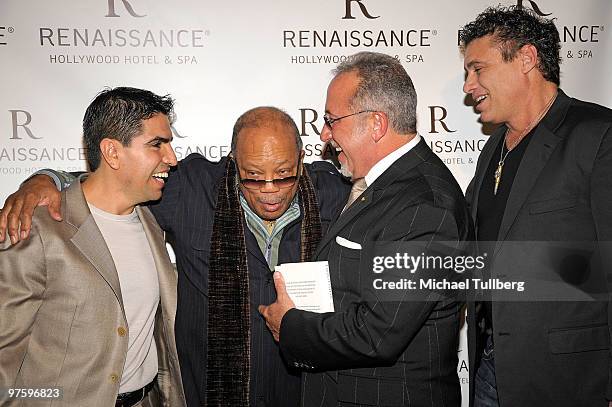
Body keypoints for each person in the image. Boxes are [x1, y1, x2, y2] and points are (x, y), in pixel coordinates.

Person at [0, 106, 350, 406]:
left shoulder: (335, 195)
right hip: (206, 394)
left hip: (302, 393)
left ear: (304, 160)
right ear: (232, 163)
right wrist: (46, 179)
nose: (270, 190)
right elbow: (111, 184)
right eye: (253, 177)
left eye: (284, 175)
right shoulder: (192, 190)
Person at [259, 52, 473, 407]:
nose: (324, 133)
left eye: (332, 120)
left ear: (375, 123)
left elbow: (380, 332)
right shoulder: (383, 186)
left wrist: (291, 325)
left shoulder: (423, 206)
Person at [460, 6, 612, 407]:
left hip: (571, 379)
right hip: (490, 367)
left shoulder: (597, 136)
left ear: (526, 59)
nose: (468, 86)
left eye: (478, 69)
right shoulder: (492, 149)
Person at [0, 87, 186, 406]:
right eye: (157, 144)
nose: (171, 158)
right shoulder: (36, 227)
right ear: (112, 152)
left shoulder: (151, 220)